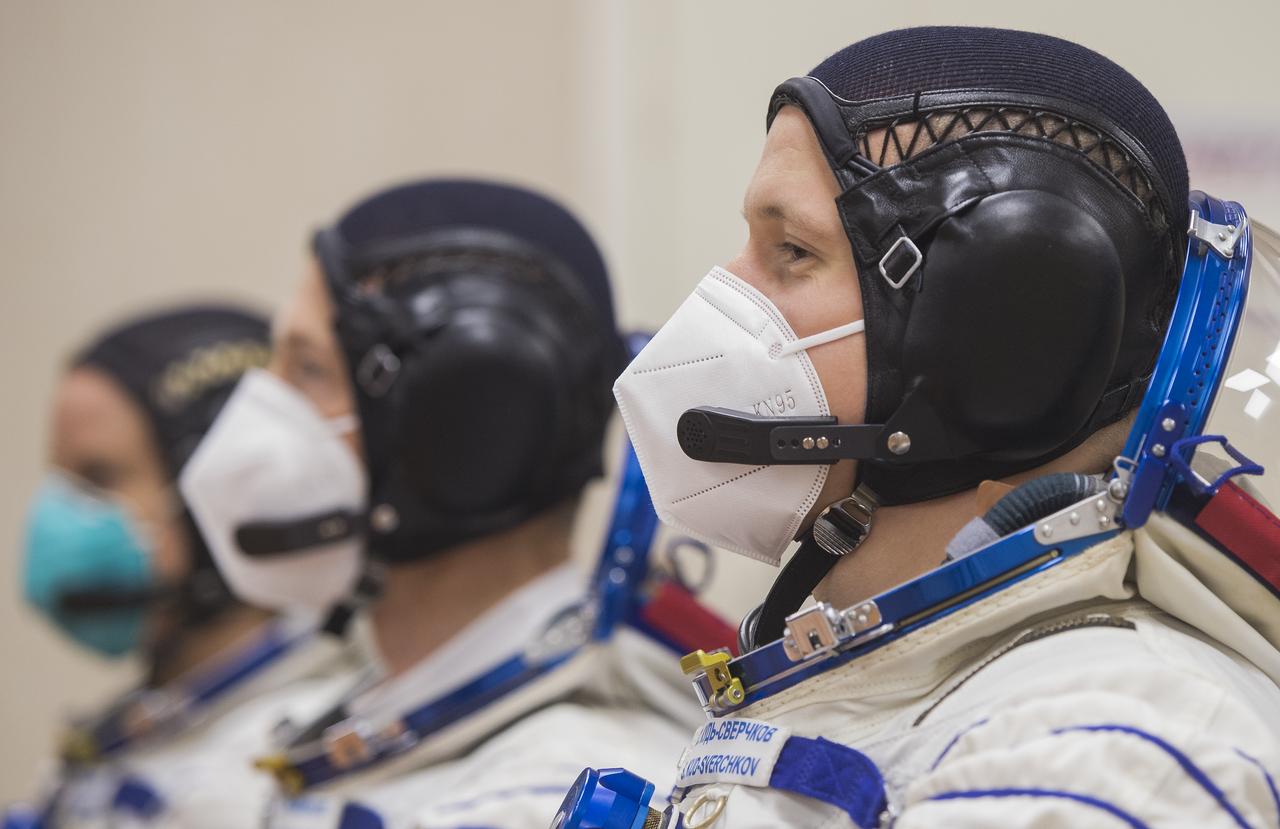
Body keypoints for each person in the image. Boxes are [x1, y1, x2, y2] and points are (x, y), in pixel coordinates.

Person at [567, 26, 1280, 828]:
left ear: (995, 339)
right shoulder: (920, 685)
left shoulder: (1101, 752)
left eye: (791, 251)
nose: (724, 295)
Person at [177, 178, 733, 828]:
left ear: (467, 430)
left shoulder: (546, 798)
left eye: (308, 371)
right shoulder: (351, 736)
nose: (256, 415)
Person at [9, 306, 360, 829]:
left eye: (98, 477)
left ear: (218, 489)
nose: (62, 517)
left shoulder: (299, 775)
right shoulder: (126, 739)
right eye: (62, 481)